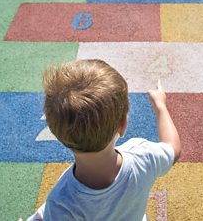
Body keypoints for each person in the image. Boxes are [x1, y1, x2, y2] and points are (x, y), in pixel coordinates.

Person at [24, 59, 181, 220]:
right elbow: (173, 148)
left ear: (56, 133)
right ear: (123, 124)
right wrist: (161, 107)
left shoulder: (61, 201)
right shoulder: (143, 155)